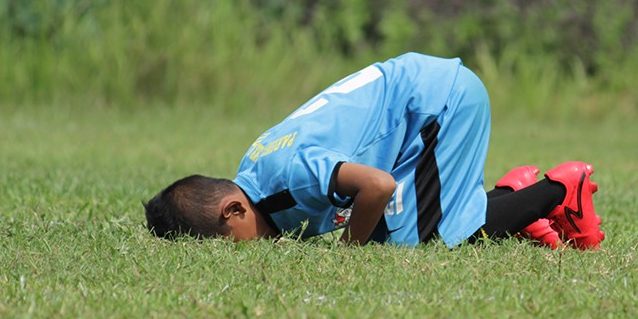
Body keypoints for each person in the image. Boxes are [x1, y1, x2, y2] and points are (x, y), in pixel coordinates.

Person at [144, 52, 605, 248]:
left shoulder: (290, 176)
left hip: (438, 103)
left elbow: (378, 185)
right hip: (422, 104)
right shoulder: (257, 171)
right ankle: (512, 194)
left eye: (229, 248)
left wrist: (349, 253)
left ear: (231, 211)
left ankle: (556, 191)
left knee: (421, 240)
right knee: (391, 231)